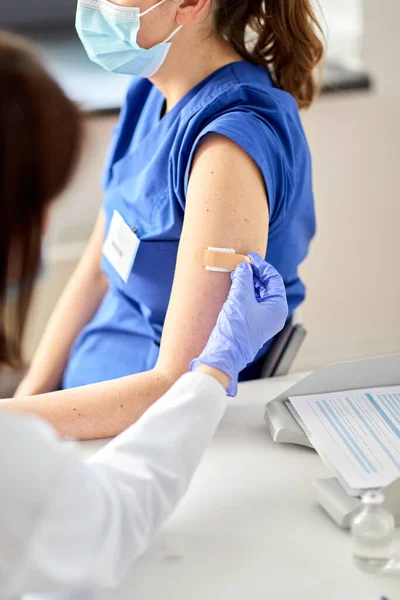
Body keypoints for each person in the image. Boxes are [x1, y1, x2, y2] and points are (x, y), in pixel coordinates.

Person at [0, 31, 288, 595]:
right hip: (93, 442)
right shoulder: (153, 98)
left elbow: (97, 271)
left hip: (108, 426)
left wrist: (25, 404)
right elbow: (106, 521)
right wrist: (19, 421)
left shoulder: (222, 139)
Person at [12, 0, 323, 440]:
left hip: (143, 437)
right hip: (74, 409)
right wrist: (29, 396)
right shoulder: (150, 94)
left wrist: (14, 423)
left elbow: (179, 385)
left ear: (190, 4)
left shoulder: (227, 150)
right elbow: (97, 272)